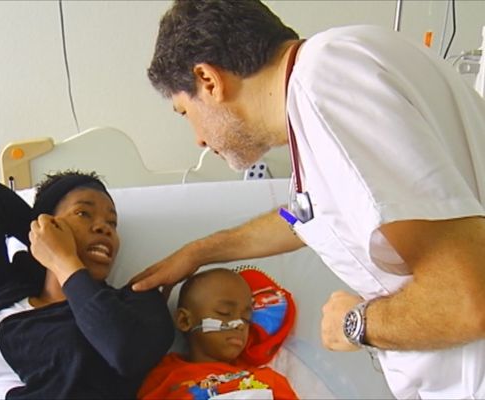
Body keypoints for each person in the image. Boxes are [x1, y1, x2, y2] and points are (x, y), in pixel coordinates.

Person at [131, 0, 485, 398]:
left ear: (208, 81)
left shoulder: (327, 89)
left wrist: (358, 323)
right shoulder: (334, 77)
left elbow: (467, 300)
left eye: (184, 111)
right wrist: (199, 252)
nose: (198, 138)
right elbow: (304, 215)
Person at [0, 172, 174, 399]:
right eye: (83, 213)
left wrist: (64, 262)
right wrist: (42, 240)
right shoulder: (0, 290)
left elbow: (125, 353)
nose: (104, 228)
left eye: (112, 223)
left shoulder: (137, 302)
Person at [137, 268, 298, 400]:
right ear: (185, 320)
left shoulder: (266, 379)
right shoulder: (164, 377)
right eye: (225, 312)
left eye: (246, 318)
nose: (239, 324)